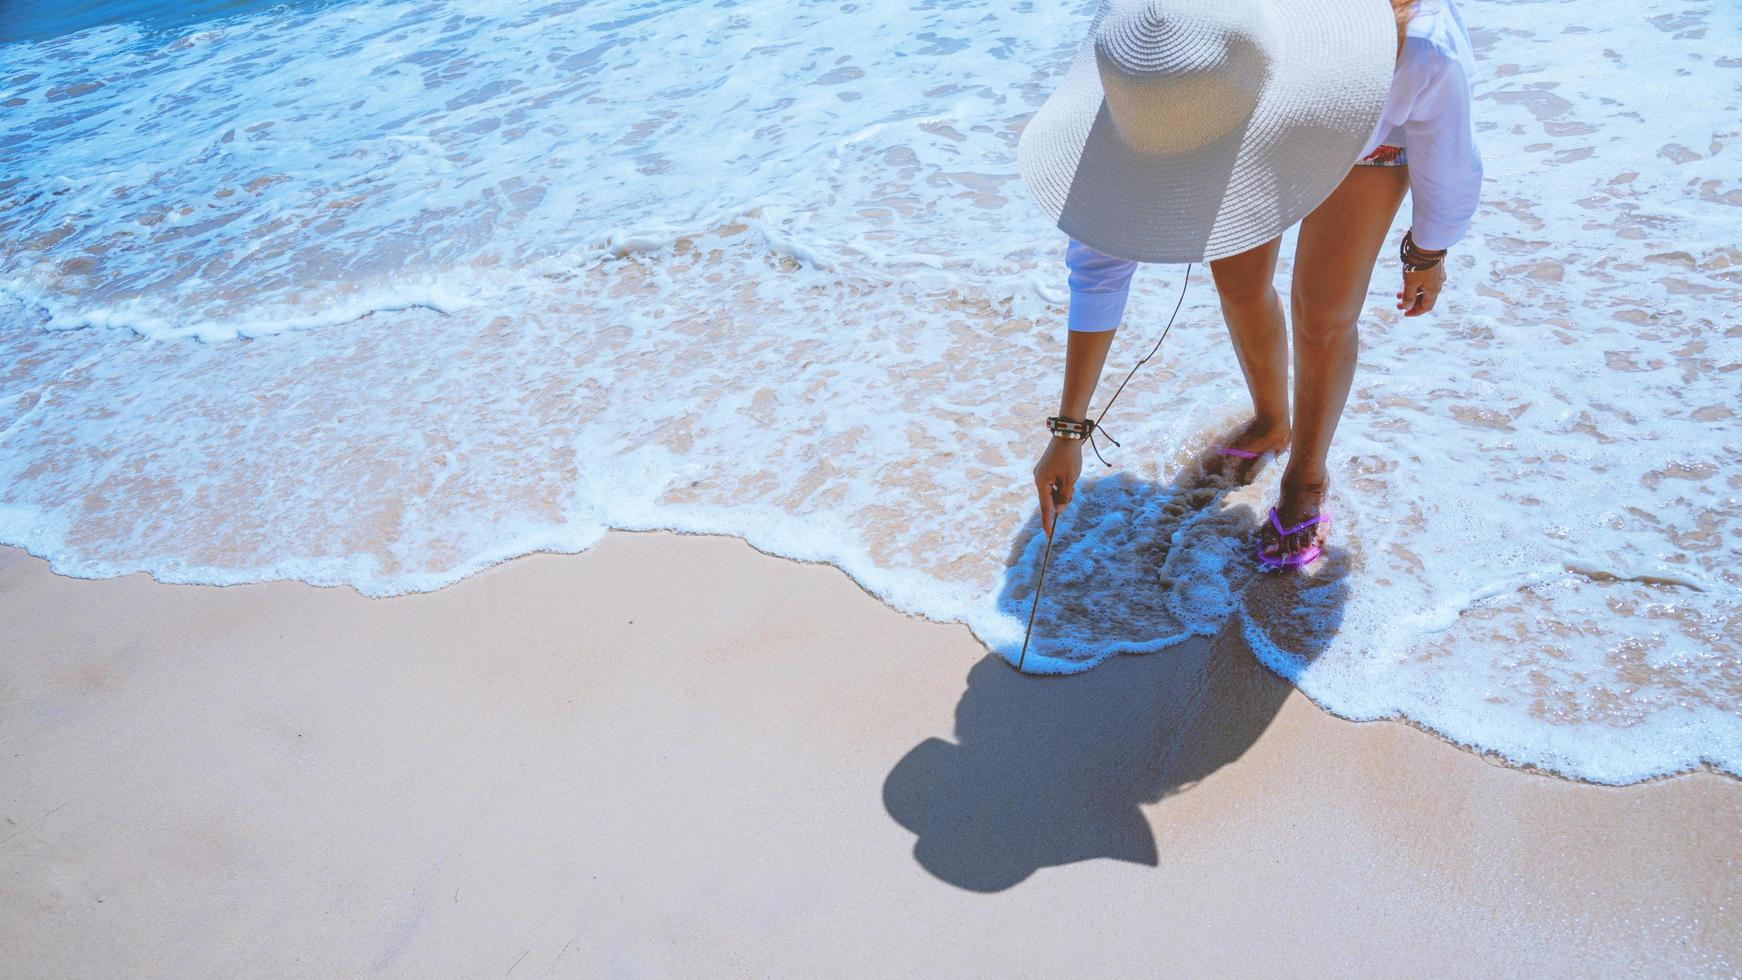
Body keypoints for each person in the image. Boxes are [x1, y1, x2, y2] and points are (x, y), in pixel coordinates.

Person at [1018, 0, 1482, 569]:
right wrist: (1069, 430)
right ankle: (1271, 420)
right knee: (1236, 279)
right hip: (1239, 107)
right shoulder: (1158, 67)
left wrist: (1427, 249)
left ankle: (1306, 478)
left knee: (1324, 309)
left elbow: (1451, 156)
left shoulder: (1414, 48)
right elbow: (1099, 262)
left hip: (1372, 128)